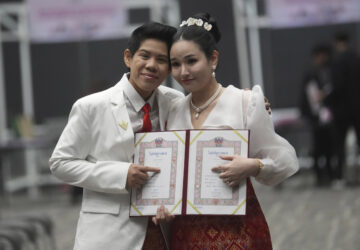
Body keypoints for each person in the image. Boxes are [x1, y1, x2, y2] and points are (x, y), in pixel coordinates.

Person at [154, 13, 299, 249]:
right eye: (176, 64)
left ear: (213, 59)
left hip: (239, 231)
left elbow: (285, 159)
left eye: (192, 61)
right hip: (186, 234)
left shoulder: (243, 102)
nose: (183, 72)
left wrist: (253, 166)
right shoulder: (173, 110)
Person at [49, 22, 184, 250]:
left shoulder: (176, 102)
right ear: (128, 58)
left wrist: (250, 102)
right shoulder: (91, 106)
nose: (152, 65)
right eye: (145, 56)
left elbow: (209, 110)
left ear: (170, 68)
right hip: (109, 236)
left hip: (163, 230)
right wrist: (121, 175)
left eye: (161, 60)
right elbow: (60, 163)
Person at [324, 32, 360, 188]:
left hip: (341, 110)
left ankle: (339, 177)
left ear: (336, 43)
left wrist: (325, 99)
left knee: (339, 145)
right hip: (358, 108)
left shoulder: (337, 61)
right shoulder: (356, 58)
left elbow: (337, 87)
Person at [300, 44, 335, 186]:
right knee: (317, 147)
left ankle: (328, 173)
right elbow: (305, 97)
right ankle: (319, 175)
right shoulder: (311, 73)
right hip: (315, 116)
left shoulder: (328, 71)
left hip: (327, 115)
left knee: (328, 146)